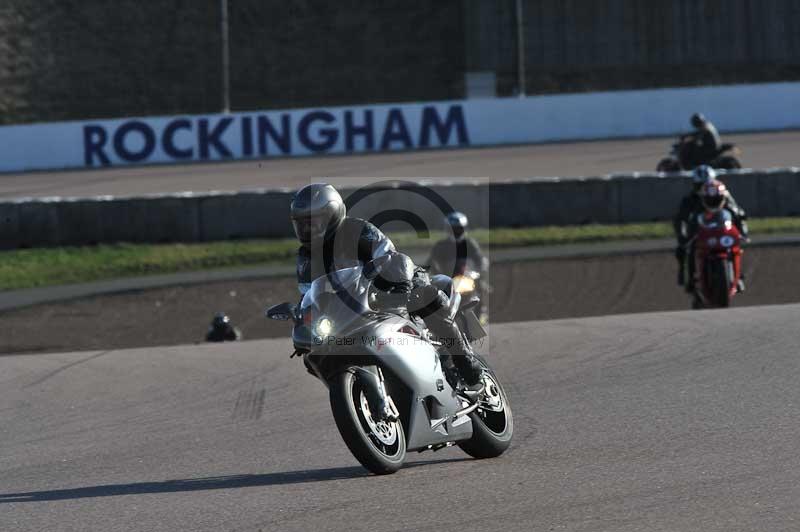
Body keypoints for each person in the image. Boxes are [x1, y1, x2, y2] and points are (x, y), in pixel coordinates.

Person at [290, 183, 483, 387]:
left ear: (332, 214)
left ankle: (464, 361)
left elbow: (390, 257)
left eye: (312, 222)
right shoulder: (306, 258)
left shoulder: (357, 230)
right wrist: (303, 321)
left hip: (395, 285)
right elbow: (309, 296)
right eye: (300, 224)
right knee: (316, 353)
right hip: (353, 309)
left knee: (427, 296)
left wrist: (398, 288)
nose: (305, 229)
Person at [673, 166, 746, 288]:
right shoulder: (689, 200)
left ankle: (737, 275)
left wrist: (742, 231)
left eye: (707, 184)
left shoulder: (723, 195)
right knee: (686, 249)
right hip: (700, 232)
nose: (704, 188)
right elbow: (680, 219)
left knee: (735, 247)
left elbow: (737, 212)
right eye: (700, 185)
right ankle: (689, 277)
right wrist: (683, 237)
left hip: (721, 230)